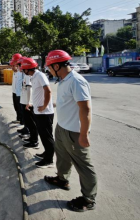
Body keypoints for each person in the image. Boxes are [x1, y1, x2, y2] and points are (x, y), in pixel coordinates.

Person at [44, 50, 97, 212]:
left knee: (83, 164)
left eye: (50, 67)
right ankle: (62, 179)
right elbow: (67, 102)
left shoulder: (76, 81)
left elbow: (85, 109)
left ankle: (88, 199)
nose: (49, 70)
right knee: (62, 156)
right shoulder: (63, 80)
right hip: (62, 127)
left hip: (74, 132)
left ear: (57, 65)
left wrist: (83, 134)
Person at [22, 57, 55, 169]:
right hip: (38, 111)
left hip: (45, 113)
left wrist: (45, 106)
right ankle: (46, 153)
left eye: (23, 69)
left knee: (47, 137)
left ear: (27, 69)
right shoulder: (34, 76)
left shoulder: (40, 75)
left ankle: (49, 160)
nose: (23, 71)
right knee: (43, 136)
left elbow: (48, 90)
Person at [19, 58, 40, 150]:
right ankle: (31, 138)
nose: (20, 67)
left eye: (21, 65)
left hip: (27, 103)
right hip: (24, 102)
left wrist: (29, 102)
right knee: (28, 122)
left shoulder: (28, 76)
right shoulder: (25, 75)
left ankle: (34, 141)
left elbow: (29, 89)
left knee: (31, 123)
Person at [10, 53, 23, 125]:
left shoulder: (21, 72)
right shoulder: (15, 72)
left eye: (13, 65)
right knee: (16, 106)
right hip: (14, 92)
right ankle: (18, 119)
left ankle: (22, 121)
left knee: (20, 108)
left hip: (20, 93)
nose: (12, 67)